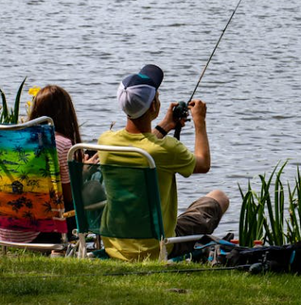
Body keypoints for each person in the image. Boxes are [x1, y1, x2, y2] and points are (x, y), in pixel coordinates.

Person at [98, 64, 229, 261]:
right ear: (153, 107)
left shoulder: (106, 142)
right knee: (219, 197)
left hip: (115, 245)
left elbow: (143, 145)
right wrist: (199, 121)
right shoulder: (166, 149)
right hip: (156, 246)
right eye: (157, 96)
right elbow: (203, 164)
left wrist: (165, 125)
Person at [0, 84, 85, 243]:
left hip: (5, 230)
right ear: (67, 113)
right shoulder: (62, 144)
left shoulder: (15, 141)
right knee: (88, 194)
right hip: (39, 233)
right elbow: (69, 197)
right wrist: (84, 172)